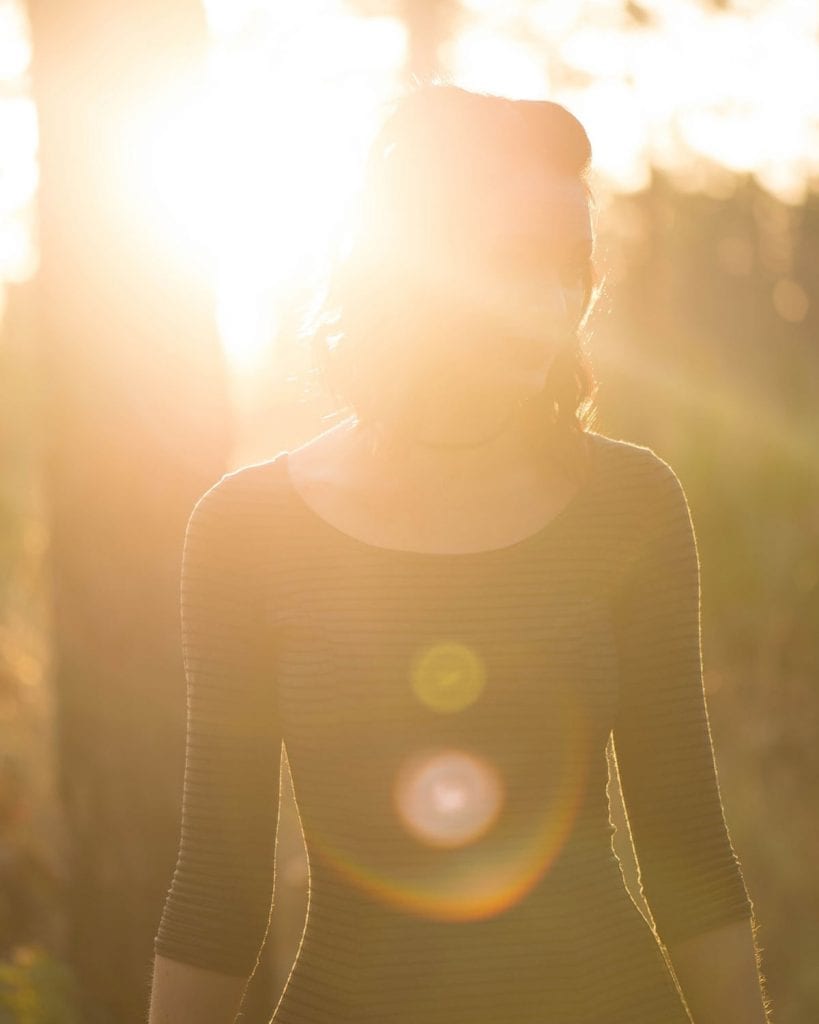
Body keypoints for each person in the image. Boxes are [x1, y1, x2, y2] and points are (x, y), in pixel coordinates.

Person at [148, 84, 771, 1024]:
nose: (558, 298)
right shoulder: (246, 530)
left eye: (575, 266)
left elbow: (686, 850)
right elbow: (218, 891)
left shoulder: (630, 503)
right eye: (518, 260)